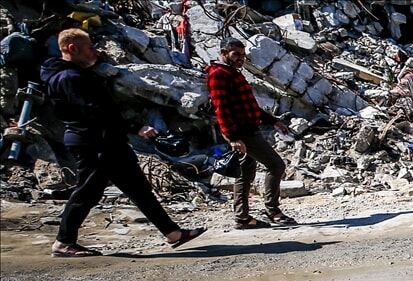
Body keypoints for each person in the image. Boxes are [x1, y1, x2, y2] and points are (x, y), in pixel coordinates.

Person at [39, 28, 205, 257]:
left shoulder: (72, 75)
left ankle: (173, 233)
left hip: (107, 141)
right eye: (89, 48)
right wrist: (134, 127)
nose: (95, 52)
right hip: (94, 142)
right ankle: (63, 242)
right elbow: (93, 112)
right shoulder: (70, 77)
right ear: (72, 48)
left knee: (139, 189)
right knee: (87, 192)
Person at [207, 37, 295, 229]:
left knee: (245, 173)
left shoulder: (233, 73)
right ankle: (273, 210)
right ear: (223, 53)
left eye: (242, 54)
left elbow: (250, 106)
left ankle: (243, 218)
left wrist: (273, 122)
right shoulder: (219, 75)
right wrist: (232, 137)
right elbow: (221, 108)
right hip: (242, 133)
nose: (240, 58)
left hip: (247, 129)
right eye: (235, 54)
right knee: (276, 165)